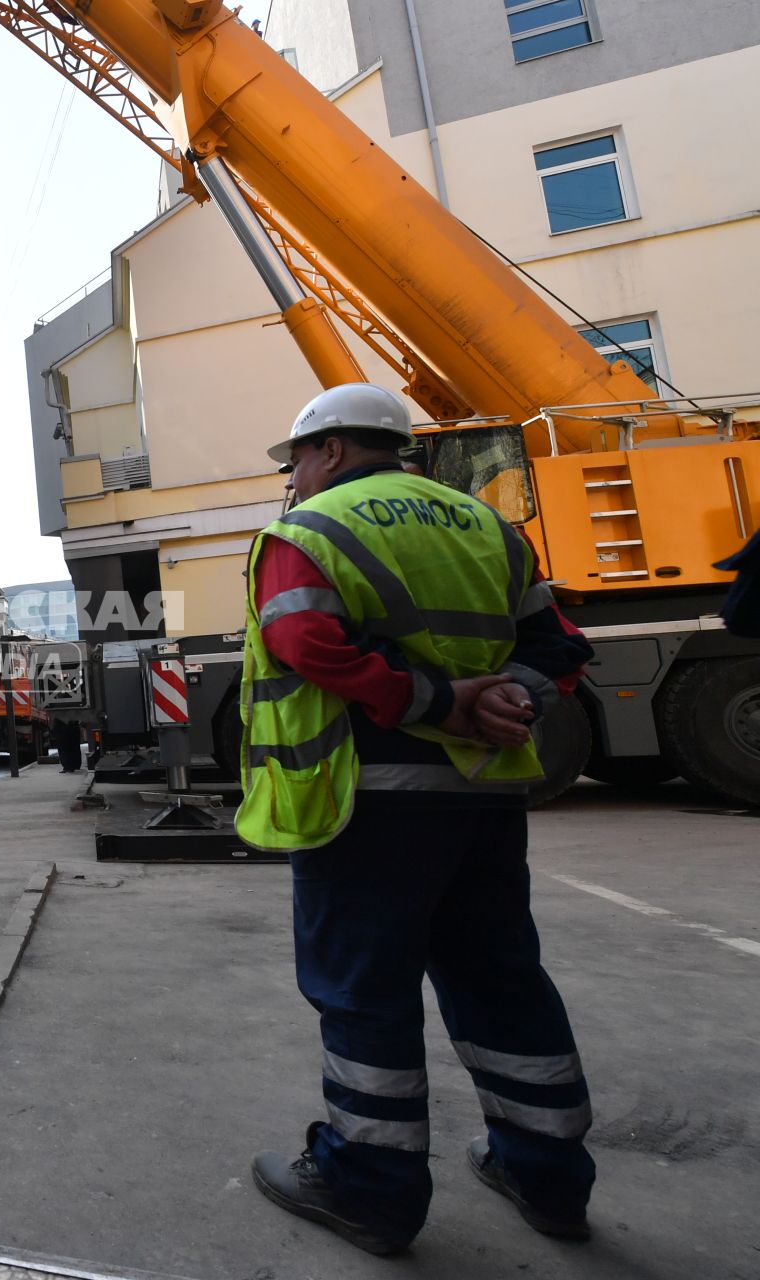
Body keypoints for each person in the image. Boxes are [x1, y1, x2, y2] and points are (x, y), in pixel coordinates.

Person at [242, 383, 597, 1255]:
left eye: (294, 465)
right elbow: (561, 648)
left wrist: (434, 699)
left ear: (325, 452)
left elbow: (305, 645)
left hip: (363, 804)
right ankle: (547, 1176)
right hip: (482, 799)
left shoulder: (311, 532)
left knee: (366, 994)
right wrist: (503, 699)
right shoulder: (488, 529)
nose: (292, 482)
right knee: (501, 978)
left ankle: (372, 1186)